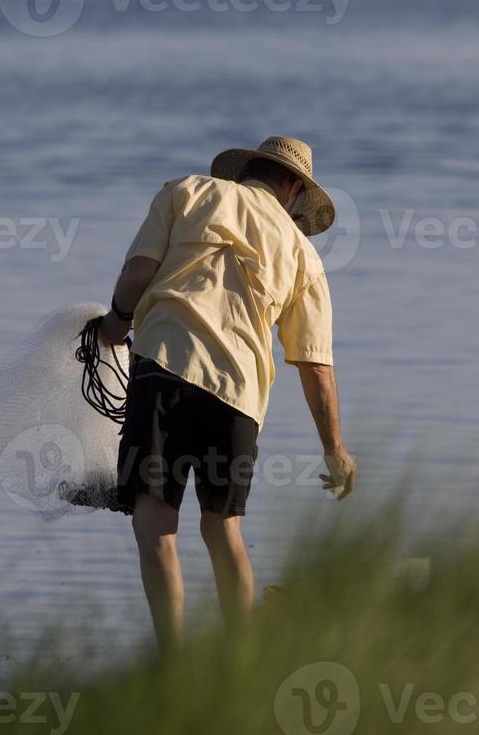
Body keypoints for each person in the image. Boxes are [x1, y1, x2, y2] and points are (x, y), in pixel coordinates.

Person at [100, 136, 357, 650]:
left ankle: (171, 664)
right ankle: (238, 662)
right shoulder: (304, 255)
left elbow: (138, 273)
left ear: (250, 171)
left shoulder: (188, 192)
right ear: (293, 188)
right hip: (237, 396)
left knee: (156, 525)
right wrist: (335, 449)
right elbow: (316, 367)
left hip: (165, 367)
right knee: (223, 529)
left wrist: (117, 321)